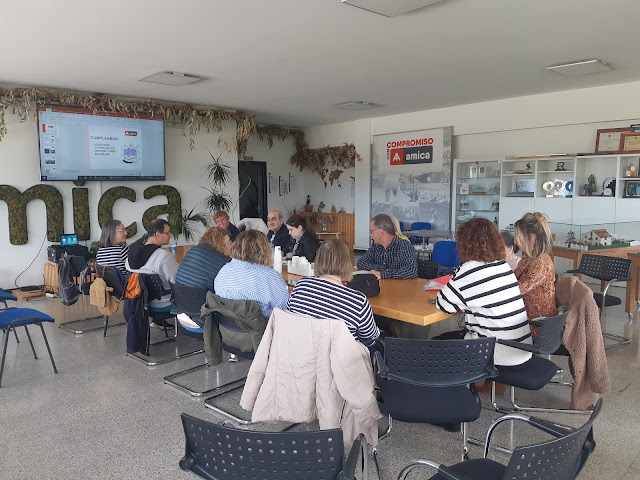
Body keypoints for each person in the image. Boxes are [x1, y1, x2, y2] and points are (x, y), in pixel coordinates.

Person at [436, 217, 532, 367]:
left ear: (466, 244)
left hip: (498, 350)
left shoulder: (471, 268)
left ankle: (459, 387)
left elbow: (443, 304)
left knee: (435, 345)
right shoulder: (502, 265)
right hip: (521, 346)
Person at [287, 239, 380, 347]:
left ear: (318, 260)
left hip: (300, 357)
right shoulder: (358, 302)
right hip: (341, 361)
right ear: (347, 263)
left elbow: (290, 319)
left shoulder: (300, 286)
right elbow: (371, 337)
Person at [214, 230, 289, 318]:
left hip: (227, 328)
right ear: (263, 250)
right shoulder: (269, 276)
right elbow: (286, 309)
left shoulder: (224, 270)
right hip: (261, 328)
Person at [126, 219, 178, 326]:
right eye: (168, 233)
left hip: (139, 303)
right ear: (158, 234)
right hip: (164, 303)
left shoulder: (130, 255)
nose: (171, 236)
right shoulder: (163, 257)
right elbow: (177, 282)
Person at [513, 212, 558, 334]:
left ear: (531, 238)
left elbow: (515, 291)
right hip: (524, 319)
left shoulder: (541, 262)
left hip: (537, 326)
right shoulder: (527, 257)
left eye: (518, 236)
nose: (515, 240)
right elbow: (513, 281)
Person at [357, 214, 417, 279]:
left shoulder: (404, 245)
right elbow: (361, 263)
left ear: (381, 231)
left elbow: (412, 271)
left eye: (372, 231)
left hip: (401, 286)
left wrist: (383, 274)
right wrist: (384, 269)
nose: (370, 235)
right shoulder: (376, 246)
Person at [175, 227, 231, 291]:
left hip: (179, 295)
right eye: (228, 242)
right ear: (220, 243)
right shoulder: (223, 260)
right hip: (203, 298)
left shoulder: (193, 250)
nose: (230, 245)